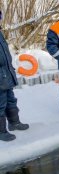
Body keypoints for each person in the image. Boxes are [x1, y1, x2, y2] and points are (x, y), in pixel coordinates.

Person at [0, 10, 29, 141]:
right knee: (0, 104)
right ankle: (1, 132)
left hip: (6, 73)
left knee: (11, 100)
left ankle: (14, 123)